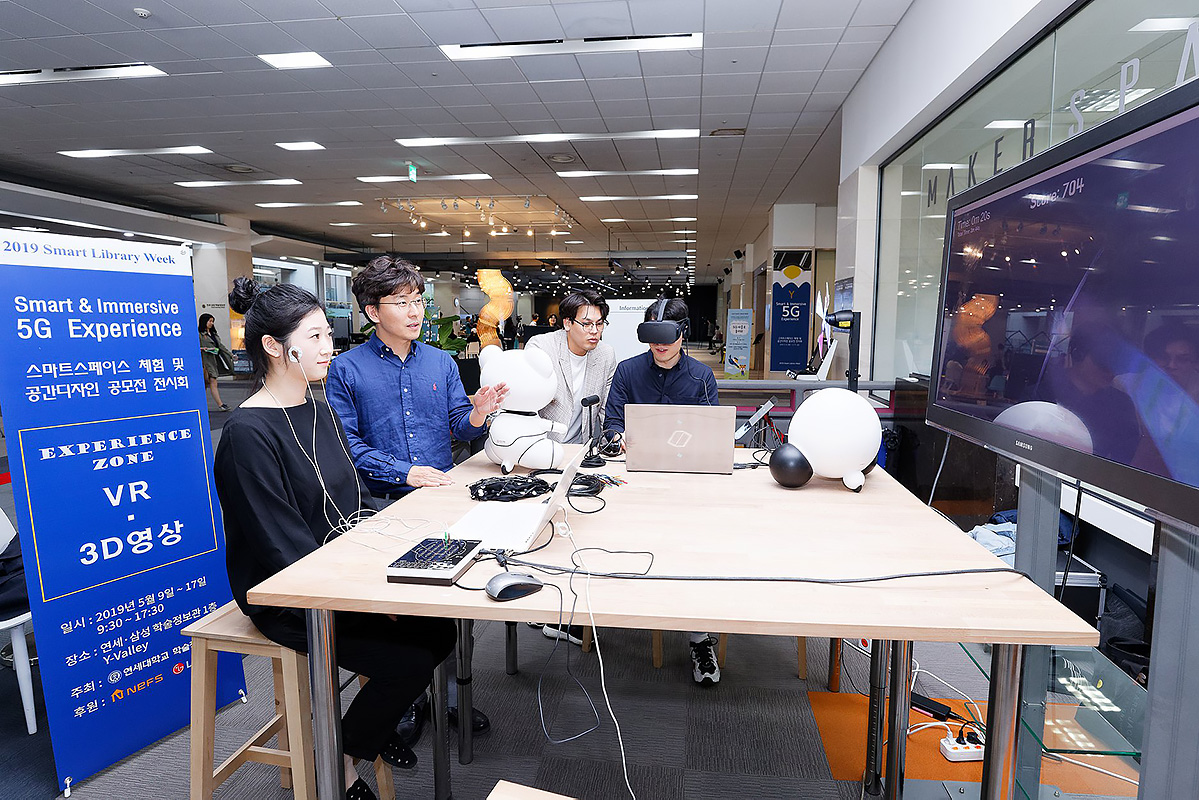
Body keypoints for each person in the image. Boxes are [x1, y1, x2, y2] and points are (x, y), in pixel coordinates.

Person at [214, 277, 455, 800]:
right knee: (409, 660)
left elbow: (354, 501)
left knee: (440, 632)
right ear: (274, 347)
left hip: (344, 572)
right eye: (316, 337)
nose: (329, 347)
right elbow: (282, 550)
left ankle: (359, 735)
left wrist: (389, 563)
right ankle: (340, 761)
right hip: (292, 593)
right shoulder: (247, 433)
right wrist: (371, 599)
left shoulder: (320, 408)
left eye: (328, 334)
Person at [325, 256, 504, 744]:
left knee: (449, 602)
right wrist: (403, 471)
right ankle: (408, 695)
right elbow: (346, 445)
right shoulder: (346, 369)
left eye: (418, 301)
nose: (414, 311)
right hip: (382, 504)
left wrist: (478, 413)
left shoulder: (441, 362)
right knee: (400, 608)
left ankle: (449, 694)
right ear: (371, 311)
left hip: (441, 501)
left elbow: (458, 427)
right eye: (401, 302)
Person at [602, 296, 722, 685]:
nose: (659, 345)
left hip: (688, 487)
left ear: (682, 333)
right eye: (652, 336)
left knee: (697, 553)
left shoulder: (701, 377)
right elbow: (612, 422)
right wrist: (617, 436)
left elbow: (713, 433)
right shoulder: (628, 371)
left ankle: (699, 636)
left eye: (666, 336)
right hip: (634, 483)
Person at [521, 289, 617, 645]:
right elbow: (526, 403)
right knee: (543, 527)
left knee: (580, 527)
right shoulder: (542, 348)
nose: (594, 331)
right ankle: (540, 603)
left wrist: (607, 441)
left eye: (600, 324)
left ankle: (569, 606)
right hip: (542, 449)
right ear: (566, 323)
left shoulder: (605, 354)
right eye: (586, 324)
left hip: (582, 451)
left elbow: (605, 407)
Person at [198, 313, 233, 411]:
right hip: (204, 362)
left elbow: (221, 346)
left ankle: (218, 404)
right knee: (206, 383)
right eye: (210, 321)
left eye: (212, 321)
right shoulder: (198, 335)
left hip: (213, 361)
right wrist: (203, 349)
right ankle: (216, 404)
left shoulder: (213, 334)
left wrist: (231, 355)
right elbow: (192, 347)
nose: (211, 323)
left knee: (211, 382)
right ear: (204, 321)